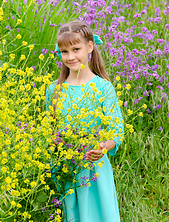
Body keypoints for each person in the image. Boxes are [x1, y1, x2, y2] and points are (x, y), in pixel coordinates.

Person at [45, 20, 124, 222]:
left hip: (95, 170)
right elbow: (49, 129)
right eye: (64, 52)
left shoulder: (103, 88)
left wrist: (103, 147)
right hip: (65, 169)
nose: (70, 57)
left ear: (89, 47)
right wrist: (53, 140)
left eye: (76, 49)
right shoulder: (54, 90)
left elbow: (117, 131)